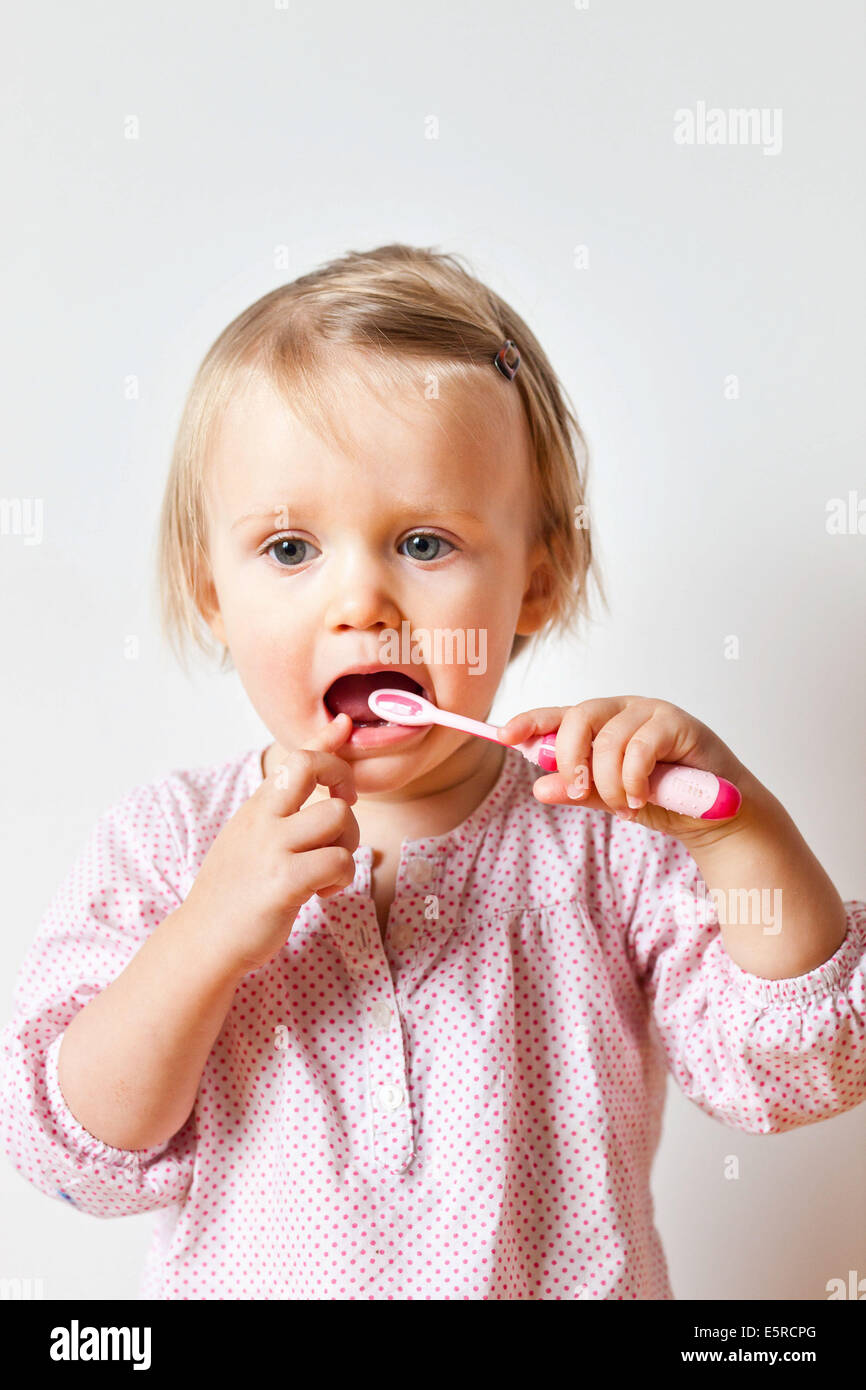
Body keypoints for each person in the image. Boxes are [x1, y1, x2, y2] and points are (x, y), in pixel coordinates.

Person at [1, 243, 863, 1300]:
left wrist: (739, 831)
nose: (359, 601)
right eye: (287, 549)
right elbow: (71, 1150)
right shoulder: (170, 842)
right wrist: (206, 932)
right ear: (211, 593)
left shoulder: (604, 835)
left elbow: (800, 1065)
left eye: (421, 541)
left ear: (535, 586)